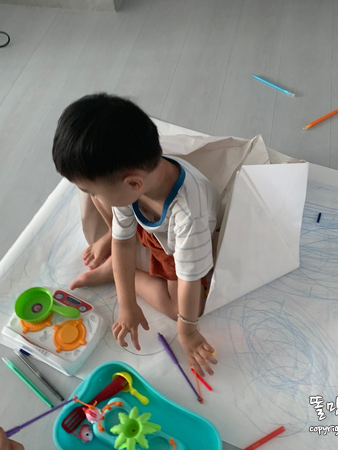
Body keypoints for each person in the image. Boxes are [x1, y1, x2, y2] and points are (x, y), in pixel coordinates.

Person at [51, 93, 218, 377]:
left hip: (171, 244)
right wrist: (127, 304)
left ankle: (117, 271)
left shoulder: (190, 216)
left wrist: (187, 331)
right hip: (145, 219)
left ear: (133, 183)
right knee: (103, 199)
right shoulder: (132, 183)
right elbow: (124, 244)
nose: (89, 195)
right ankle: (115, 260)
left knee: (183, 308)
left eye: (91, 190)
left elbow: (190, 279)